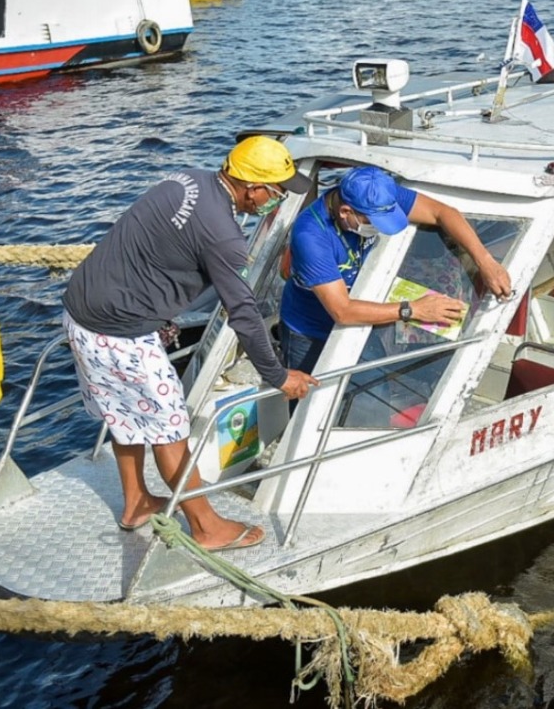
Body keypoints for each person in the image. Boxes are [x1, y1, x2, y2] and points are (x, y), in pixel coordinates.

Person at [63, 136, 319, 552]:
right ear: (251, 188)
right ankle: (205, 526)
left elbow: (151, 248)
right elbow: (243, 313)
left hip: (83, 314)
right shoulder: (223, 235)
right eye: (276, 192)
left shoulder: (189, 179)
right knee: (170, 427)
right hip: (121, 334)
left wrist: (158, 315)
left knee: (124, 412)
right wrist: (277, 376)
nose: (277, 200)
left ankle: (136, 503)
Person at [278, 166, 513, 374]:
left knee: (372, 391)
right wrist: (414, 310)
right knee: (310, 399)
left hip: (362, 320)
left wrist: (486, 262)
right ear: (345, 212)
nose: (379, 229)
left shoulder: (377, 194)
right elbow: (342, 311)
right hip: (312, 331)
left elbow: (443, 213)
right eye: (373, 223)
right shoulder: (311, 236)